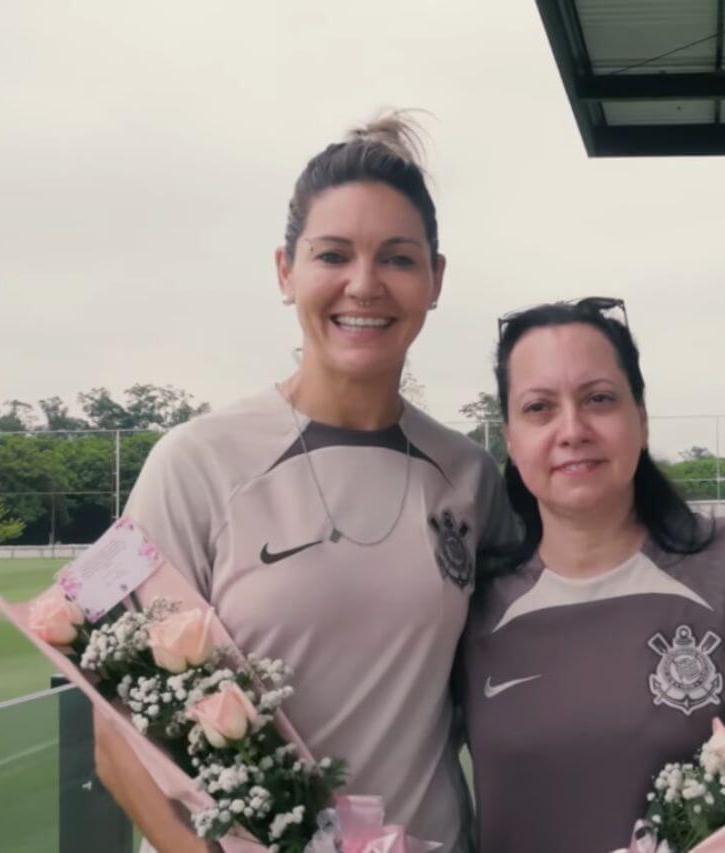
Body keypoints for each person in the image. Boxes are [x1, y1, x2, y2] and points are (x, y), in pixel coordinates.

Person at [94, 114, 516, 853]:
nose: (365, 284)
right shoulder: (191, 461)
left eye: (398, 258)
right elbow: (111, 729)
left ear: (435, 279)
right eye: (332, 255)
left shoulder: (472, 479)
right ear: (285, 270)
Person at [459, 299, 725, 853]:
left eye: (600, 399)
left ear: (641, 417)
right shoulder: (471, 597)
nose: (573, 429)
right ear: (510, 439)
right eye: (539, 408)